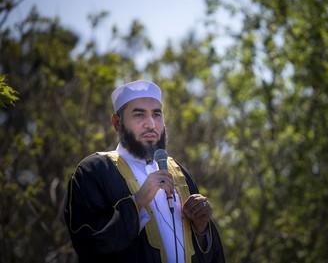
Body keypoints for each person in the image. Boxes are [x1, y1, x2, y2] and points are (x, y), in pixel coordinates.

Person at [64, 80, 225, 263]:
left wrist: (201, 228)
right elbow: (88, 246)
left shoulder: (181, 174)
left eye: (157, 115)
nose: (151, 124)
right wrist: (138, 201)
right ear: (117, 123)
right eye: (139, 115)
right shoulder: (94, 171)